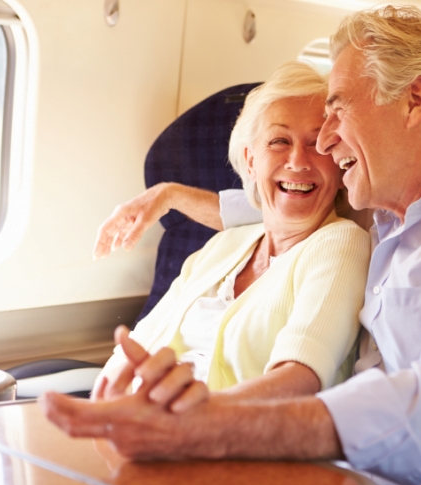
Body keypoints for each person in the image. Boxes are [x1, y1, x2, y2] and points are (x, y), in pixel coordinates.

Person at [41, 5, 421, 485]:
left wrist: (210, 424)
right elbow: (277, 207)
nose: (323, 144)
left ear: (415, 100)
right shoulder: (389, 220)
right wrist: (172, 196)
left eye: (338, 111)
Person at [93, 61, 370, 406]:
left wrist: (189, 422)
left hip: (231, 441)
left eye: (316, 144)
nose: (298, 161)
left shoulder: (341, 243)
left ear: (337, 159)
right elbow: (135, 348)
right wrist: (102, 409)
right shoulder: (222, 245)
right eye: (279, 141)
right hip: (143, 426)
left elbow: (299, 380)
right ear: (250, 160)